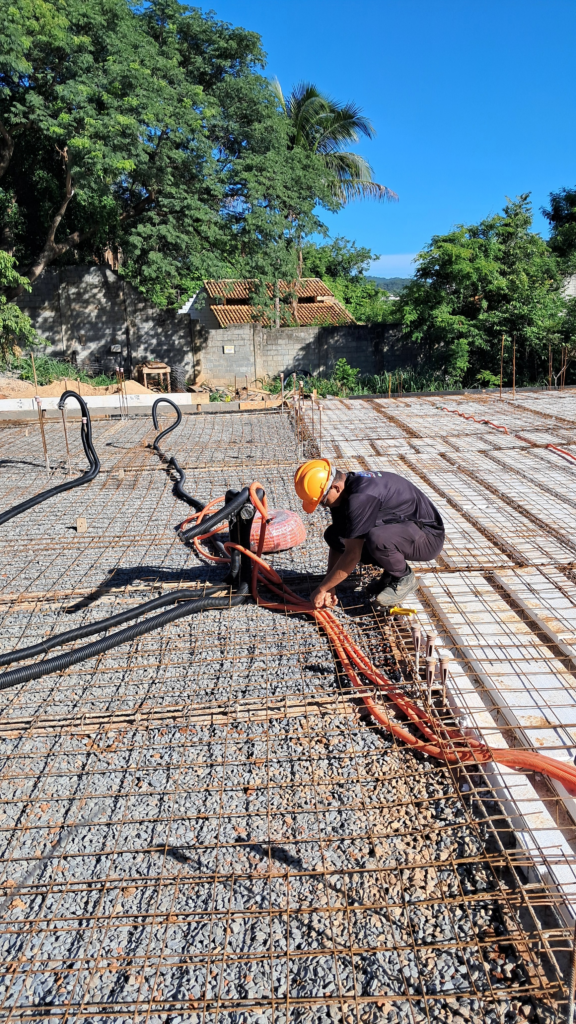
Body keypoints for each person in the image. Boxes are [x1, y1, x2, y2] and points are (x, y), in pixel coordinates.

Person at [294, 458, 445, 610]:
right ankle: (391, 572)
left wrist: (321, 589)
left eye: (323, 501)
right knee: (334, 535)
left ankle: (404, 577)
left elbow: (352, 554)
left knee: (377, 539)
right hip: (403, 528)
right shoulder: (344, 490)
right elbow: (339, 540)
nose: (323, 505)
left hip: (428, 537)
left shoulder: (361, 497)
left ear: (336, 487)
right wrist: (329, 584)